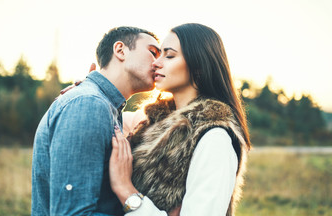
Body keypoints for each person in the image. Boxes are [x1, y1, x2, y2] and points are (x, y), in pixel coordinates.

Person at [109, 23, 251, 216]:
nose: (156, 63)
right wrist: (90, 90)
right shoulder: (153, 122)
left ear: (199, 66)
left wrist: (127, 192)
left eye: (169, 55)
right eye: (157, 54)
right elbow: (108, 116)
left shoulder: (214, 137)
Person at [31, 26, 160, 215]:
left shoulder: (102, 105)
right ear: (120, 50)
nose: (158, 63)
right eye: (153, 52)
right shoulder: (89, 103)